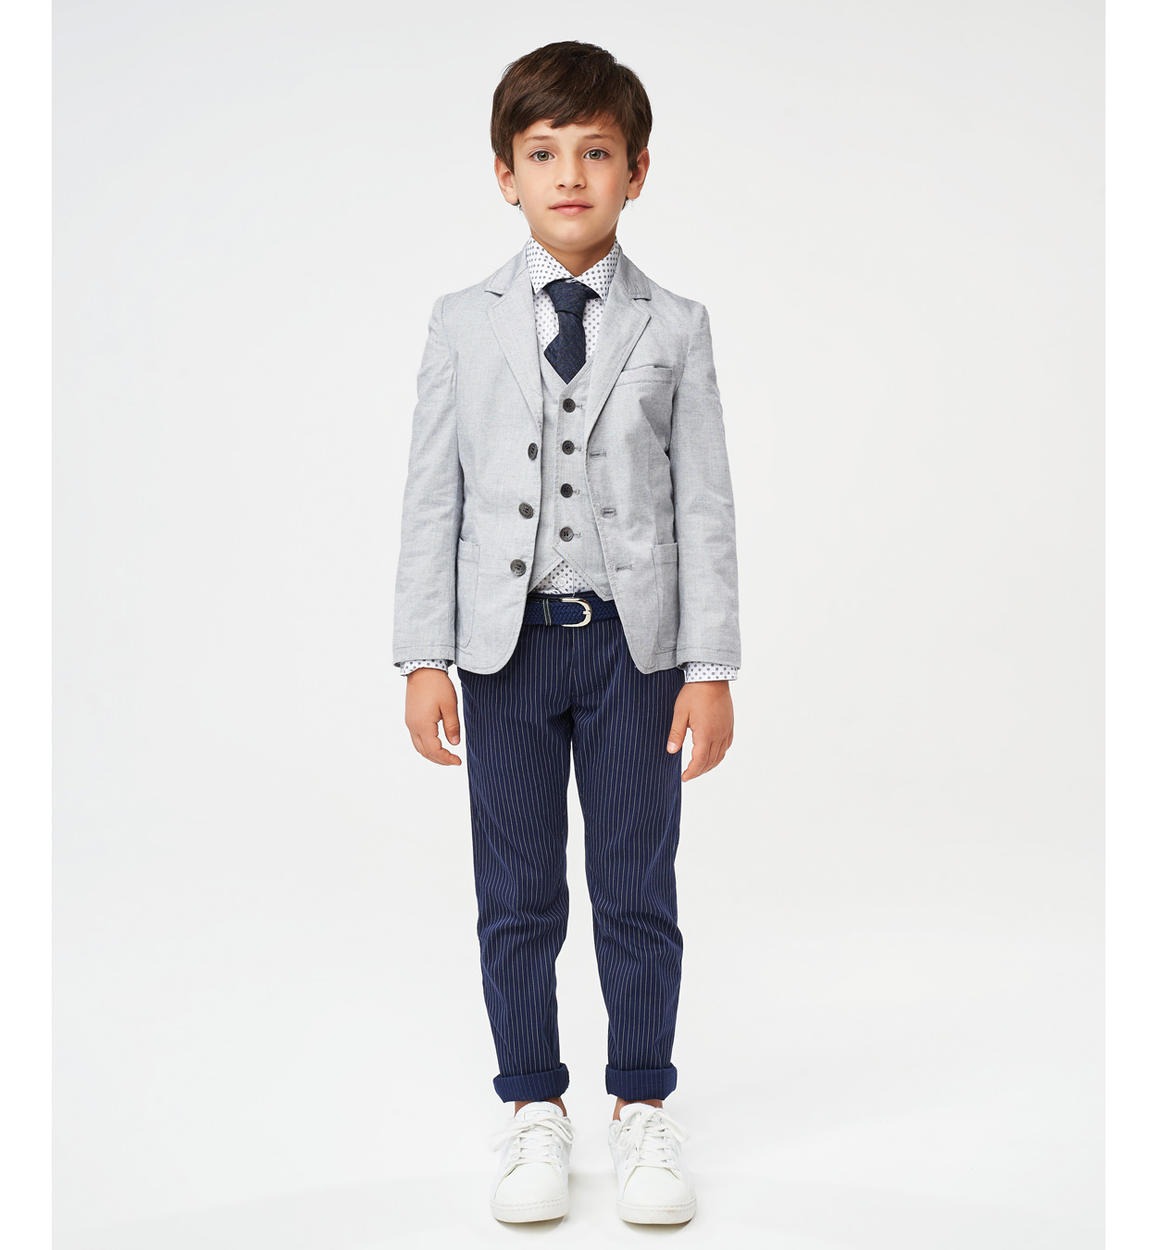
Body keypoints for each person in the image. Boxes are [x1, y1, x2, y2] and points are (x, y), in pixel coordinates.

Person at [392, 39, 741, 1226]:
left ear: (636, 171)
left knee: (636, 883)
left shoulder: (676, 325)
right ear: (505, 173)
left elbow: (704, 505)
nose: (569, 175)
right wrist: (422, 655)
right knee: (517, 890)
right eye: (543, 153)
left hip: (637, 653)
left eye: (595, 153)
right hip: (503, 652)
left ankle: (641, 1105)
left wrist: (710, 666)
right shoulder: (461, 321)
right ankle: (531, 1106)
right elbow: (431, 495)